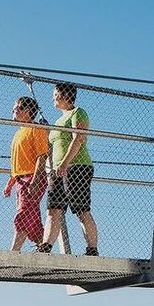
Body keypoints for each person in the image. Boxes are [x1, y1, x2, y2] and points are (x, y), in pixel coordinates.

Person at [43, 82, 98, 255]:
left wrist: (65, 163)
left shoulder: (77, 112)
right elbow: (53, 146)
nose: (53, 98)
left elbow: (78, 138)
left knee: (81, 209)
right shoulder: (58, 120)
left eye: (55, 94)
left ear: (66, 96)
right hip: (57, 171)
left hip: (77, 166)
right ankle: (45, 246)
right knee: (53, 209)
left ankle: (92, 249)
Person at [2, 96, 49, 251]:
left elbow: (42, 155)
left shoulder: (36, 129)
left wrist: (35, 180)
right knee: (32, 215)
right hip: (21, 179)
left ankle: (13, 252)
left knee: (24, 212)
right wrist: (10, 183)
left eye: (15, 108)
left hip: (33, 177)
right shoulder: (19, 133)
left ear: (26, 111)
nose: (12, 111)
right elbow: (18, 162)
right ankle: (43, 247)